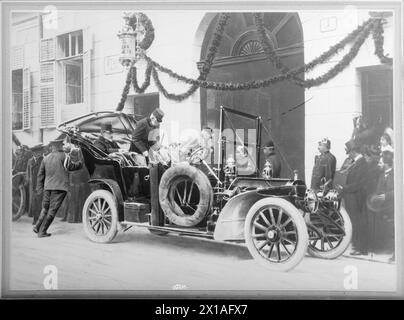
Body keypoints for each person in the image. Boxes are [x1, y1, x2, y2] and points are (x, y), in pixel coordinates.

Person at [34, 136, 83, 238]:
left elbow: (40, 175)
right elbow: (71, 167)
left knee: (45, 208)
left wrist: (39, 189)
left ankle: (37, 226)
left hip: (47, 187)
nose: (62, 146)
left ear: (52, 147)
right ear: (59, 146)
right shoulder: (64, 156)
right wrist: (80, 164)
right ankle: (42, 232)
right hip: (60, 187)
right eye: (61, 145)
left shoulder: (45, 158)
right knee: (52, 210)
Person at [336, 140, 369, 256]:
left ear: (354, 151)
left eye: (349, 152)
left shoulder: (362, 163)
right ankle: (357, 246)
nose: (348, 155)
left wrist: (345, 188)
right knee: (354, 221)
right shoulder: (357, 162)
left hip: (357, 197)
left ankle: (360, 248)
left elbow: (360, 183)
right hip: (352, 197)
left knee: (358, 222)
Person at [367, 150, 395, 262]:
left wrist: (386, 196)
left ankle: (396, 254)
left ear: (386, 163)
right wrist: (376, 197)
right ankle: (379, 247)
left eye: (380, 162)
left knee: (394, 229)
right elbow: (378, 190)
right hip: (382, 205)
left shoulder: (395, 174)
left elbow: (398, 189)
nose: (379, 164)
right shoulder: (382, 174)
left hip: (392, 205)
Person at [25, 144, 45, 225]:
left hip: (40, 184)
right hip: (32, 185)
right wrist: (28, 180)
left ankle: (40, 220)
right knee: (34, 203)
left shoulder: (44, 160)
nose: (38, 154)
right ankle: (35, 219)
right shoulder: (30, 161)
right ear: (33, 153)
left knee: (40, 203)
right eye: (36, 152)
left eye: (39, 152)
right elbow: (28, 172)